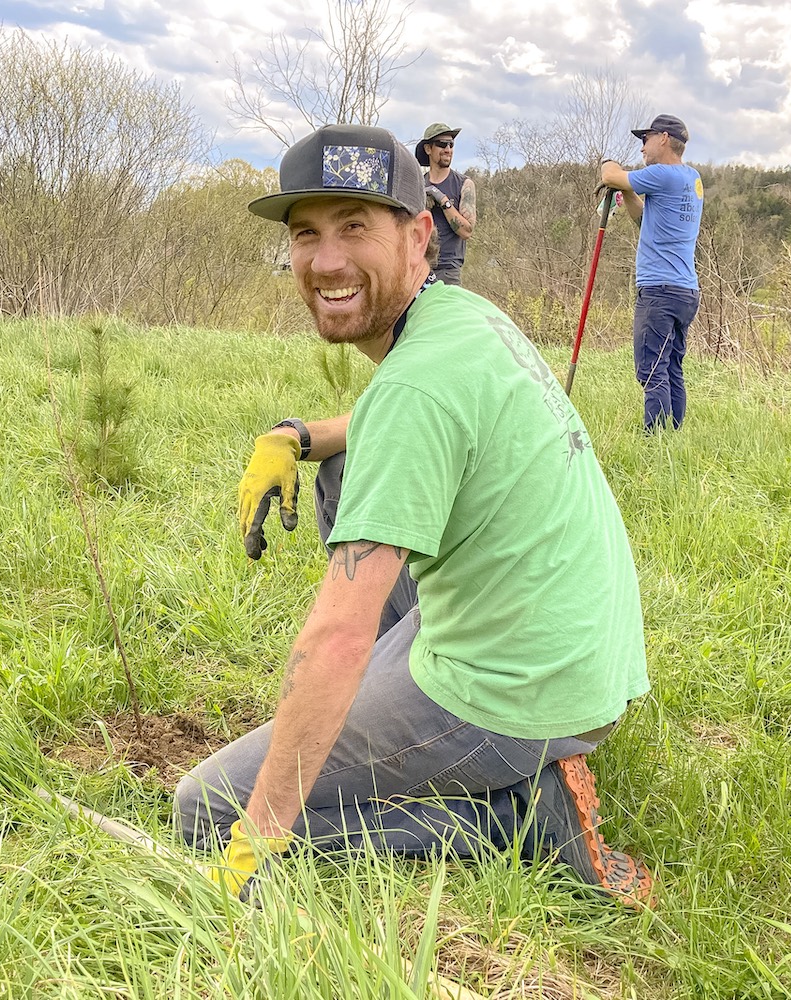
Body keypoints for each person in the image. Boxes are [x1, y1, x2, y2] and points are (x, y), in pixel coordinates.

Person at [172, 123, 655, 908]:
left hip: (521, 691)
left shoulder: (414, 390)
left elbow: (337, 636)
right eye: (307, 234)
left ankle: (506, 821)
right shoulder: (460, 319)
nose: (327, 261)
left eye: (356, 227)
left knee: (203, 812)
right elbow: (381, 426)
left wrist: (259, 835)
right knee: (340, 468)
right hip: (574, 648)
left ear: (420, 236)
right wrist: (294, 436)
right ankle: (458, 751)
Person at [600, 114, 703, 433]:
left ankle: (655, 441)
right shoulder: (691, 179)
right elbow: (644, 222)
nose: (642, 148)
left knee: (651, 369)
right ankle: (672, 437)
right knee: (671, 368)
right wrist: (629, 194)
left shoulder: (662, 174)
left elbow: (611, 176)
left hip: (659, 291)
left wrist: (608, 162)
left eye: (645, 139)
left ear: (663, 138)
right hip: (685, 291)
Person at [416, 122, 476, 286]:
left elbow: (466, 231)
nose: (448, 149)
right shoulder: (418, 185)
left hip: (448, 271)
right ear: (428, 149)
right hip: (419, 269)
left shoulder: (464, 184)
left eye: (451, 144)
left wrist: (443, 200)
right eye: (442, 144)